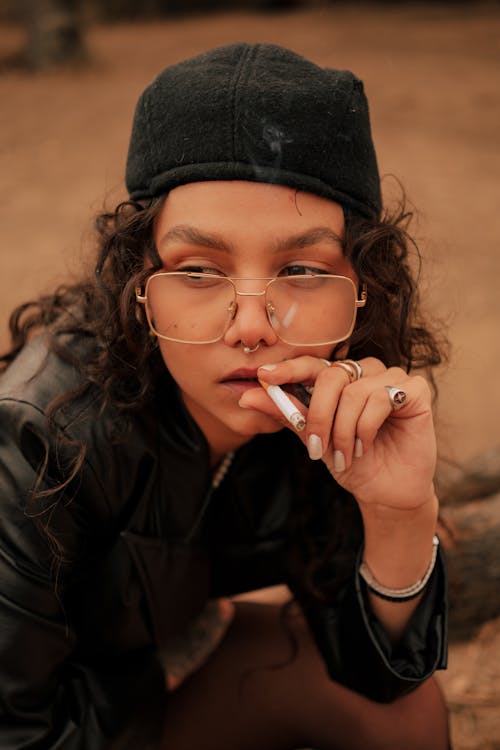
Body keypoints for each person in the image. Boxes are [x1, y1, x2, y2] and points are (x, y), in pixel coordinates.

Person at [0, 43, 450, 749]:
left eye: (300, 268)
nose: (250, 328)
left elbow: (384, 677)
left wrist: (398, 513)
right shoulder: (35, 435)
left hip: (146, 701)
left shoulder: (334, 400)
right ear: (137, 286)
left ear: (363, 292)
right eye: (199, 270)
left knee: (405, 715)